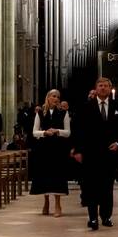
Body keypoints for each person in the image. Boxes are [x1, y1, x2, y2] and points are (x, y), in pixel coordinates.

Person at [73, 77, 118, 230]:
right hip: (91, 153)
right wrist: (77, 150)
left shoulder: (117, 106)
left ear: (110, 88)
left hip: (109, 153)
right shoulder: (86, 106)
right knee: (91, 187)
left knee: (107, 187)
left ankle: (106, 216)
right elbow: (79, 130)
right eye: (100, 85)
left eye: (106, 86)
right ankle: (93, 218)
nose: (103, 88)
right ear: (96, 88)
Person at [30, 89, 71, 217]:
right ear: (48, 98)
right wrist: (44, 133)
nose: (56, 99)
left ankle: (58, 204)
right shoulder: (41, 113)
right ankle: (46, 202)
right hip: (44, 148)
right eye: (53, 96)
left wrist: (57, 131)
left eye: (58, 97)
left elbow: (68, 132)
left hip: (58, 149)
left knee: (57, 175)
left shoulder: (63, 112)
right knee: (45, 175)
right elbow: (34, 132)